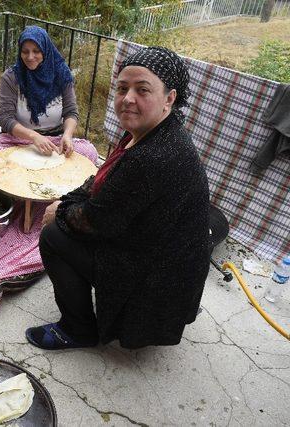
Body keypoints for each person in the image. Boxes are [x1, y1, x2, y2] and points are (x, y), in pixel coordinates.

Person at [26, 47, 210, 350]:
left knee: (52, 236)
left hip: (156, 281)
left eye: (142, 90)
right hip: (155, 253)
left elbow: (95, 222)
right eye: (123, 88)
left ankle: (78, 329)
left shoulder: (153, 157)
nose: (127, 98)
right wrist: (67, 200)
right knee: (65, 214)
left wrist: (59, 211)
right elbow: (103, 180)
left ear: (170, 98)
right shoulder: (151, 130)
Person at [0, 25, 78, 156]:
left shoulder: (62, 73)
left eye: (36, 51)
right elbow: (6, 119)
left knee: (88, 153)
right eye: (25, 51)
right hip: (19, 139)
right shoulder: (11, 78)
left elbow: (71, 112)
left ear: (45, 50)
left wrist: (67, 135)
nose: (30, 57)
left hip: (55, 139)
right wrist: (34, 136)